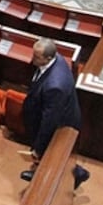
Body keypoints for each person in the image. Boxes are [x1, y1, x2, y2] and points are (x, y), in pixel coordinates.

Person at [20, 38, 89, 189]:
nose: (32, 59)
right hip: (54, 113)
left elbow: (49, 121)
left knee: (52, 152)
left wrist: (38, 148)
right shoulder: (57, 59)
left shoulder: (55, 85)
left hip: (60, 124)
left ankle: (77, 174)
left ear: (48, 58)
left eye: (37, 57)